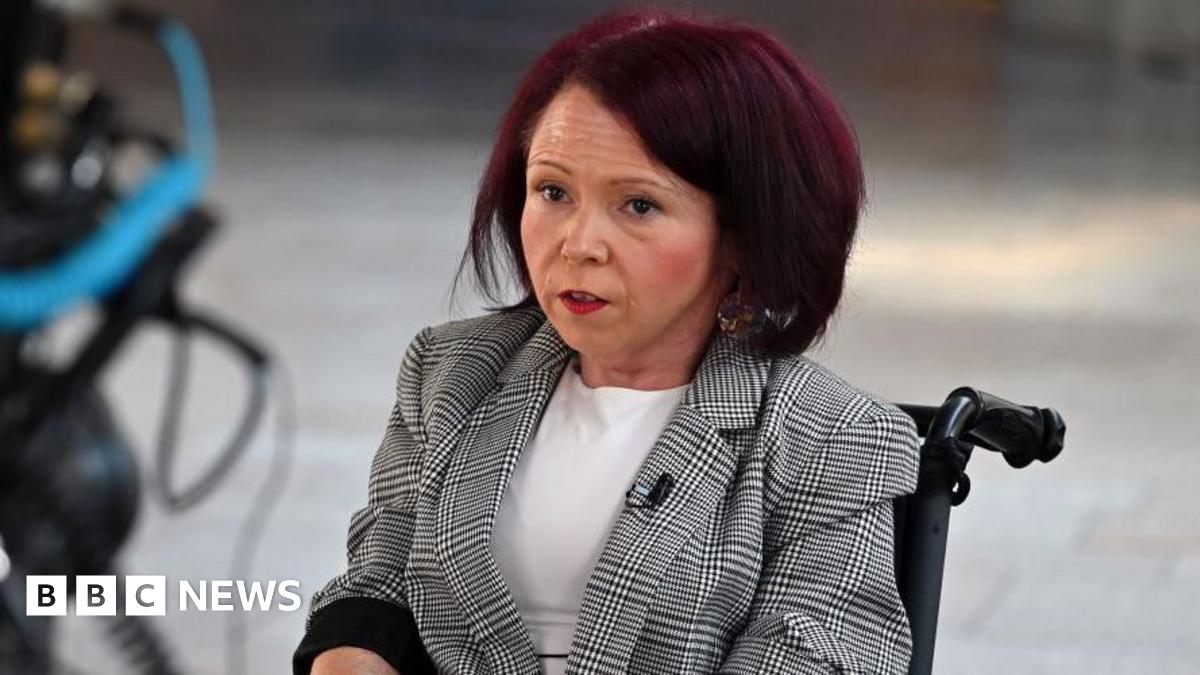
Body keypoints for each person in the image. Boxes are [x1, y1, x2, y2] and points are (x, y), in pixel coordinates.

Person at [293, 7, 920, 675]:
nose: (578, 244)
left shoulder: (831, 436)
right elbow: (379, 579)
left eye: (638, 205)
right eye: (553, 191)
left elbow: (815, 654)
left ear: (742, 235)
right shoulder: (450, 373)